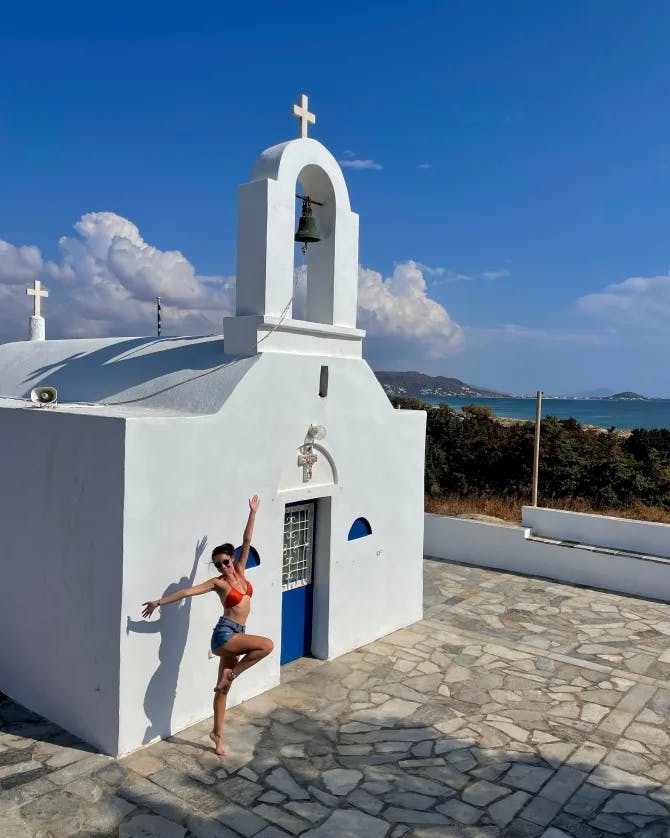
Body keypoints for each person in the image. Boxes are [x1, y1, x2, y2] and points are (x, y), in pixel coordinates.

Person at [141, 495, 273, 755]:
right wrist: (160, 601)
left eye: (225, 561)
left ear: (231, 558)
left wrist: (253, 512)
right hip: (224, 636)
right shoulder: (218, 584)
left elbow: (247, 540)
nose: (222, 567)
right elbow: (187, 593)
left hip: (238, 634)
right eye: (218, 564)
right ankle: (232, 675)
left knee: (223, 689)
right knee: (266, 645)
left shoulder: (241, 571)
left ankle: (218, 736)